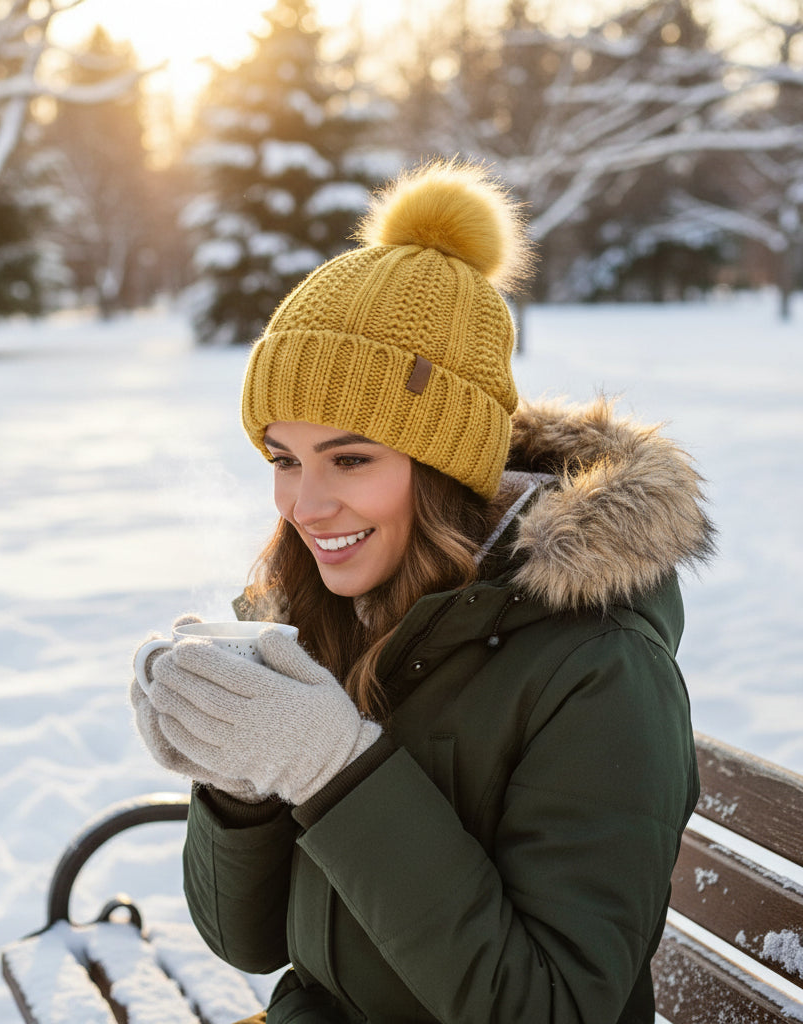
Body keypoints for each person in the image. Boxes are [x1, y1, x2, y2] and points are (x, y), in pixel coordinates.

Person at [130, 160, 715, 1024]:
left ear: (447, 465)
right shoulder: (325, 613)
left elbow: (552, 1008)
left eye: (351, 458)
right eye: (283, 460)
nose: (304, 506)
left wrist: (334, 770)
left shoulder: (599, 671)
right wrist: (235, 780)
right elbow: (249, 943)